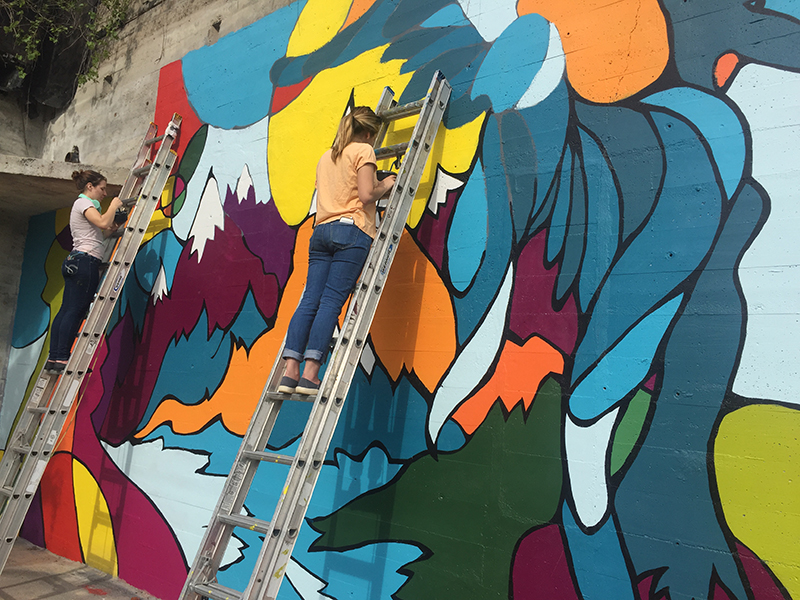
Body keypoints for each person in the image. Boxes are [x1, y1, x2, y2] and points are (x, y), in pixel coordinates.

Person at [279, 107, 396, 395]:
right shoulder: (364, 151)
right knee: (331, 303)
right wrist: (387, 183)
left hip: (321, 232)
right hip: (351, 230)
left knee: (310, 301)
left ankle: (290, 371)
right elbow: (367, 195)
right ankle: (310, 375)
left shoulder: (327, 156)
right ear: (369, 133)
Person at [46, 170, 123, 373]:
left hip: (77, 259)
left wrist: (111, 230)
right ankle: (62, 357)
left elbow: (99, 232)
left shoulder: (83, 206)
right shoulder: (84, 203)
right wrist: (114, 206)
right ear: (90, 187)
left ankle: (55, 357)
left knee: (66, 311)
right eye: (102, 188)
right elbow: (102, 222)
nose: (104, 193)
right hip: (84, 262)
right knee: (75, 311)